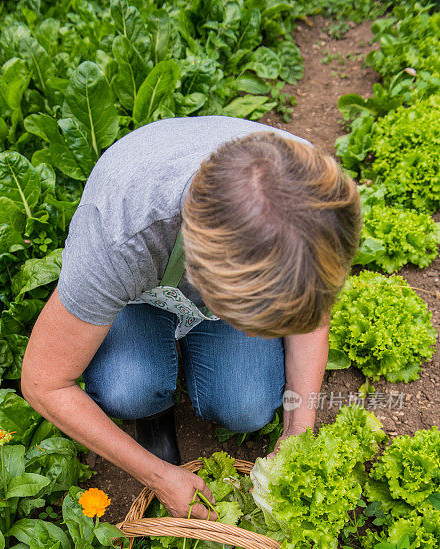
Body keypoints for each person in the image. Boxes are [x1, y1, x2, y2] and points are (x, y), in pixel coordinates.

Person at [21, 116, 361, 520]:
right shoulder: (119, 237)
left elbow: (311, 316)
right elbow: (45, 383)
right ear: (201, 274)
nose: (260, 333)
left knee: (247, 409)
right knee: (129, 390)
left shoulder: (315, 209)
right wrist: (159, 476)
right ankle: (154, 410)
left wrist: (297, 431)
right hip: (141, 288)